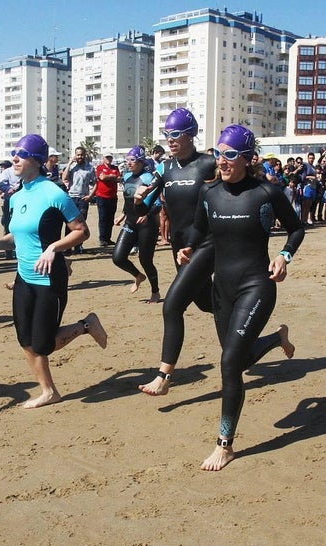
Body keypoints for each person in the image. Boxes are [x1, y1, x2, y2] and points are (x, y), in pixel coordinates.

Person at [176, 124, 303, 471]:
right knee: (240, 359)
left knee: (230, 363)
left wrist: (284, 256)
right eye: (219, 153)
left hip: (256, 285)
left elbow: (296, 228)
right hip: (223, 289)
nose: (222, 161)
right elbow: (200, 228)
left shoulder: (266, 193)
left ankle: (225, 444)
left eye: (230, 154)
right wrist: (189, 246)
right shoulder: (209, 192)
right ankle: (276, 338)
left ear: (248, 158)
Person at [0, 134, 108, 409]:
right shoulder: (16, 197)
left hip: (49, 278)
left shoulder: (54, 193)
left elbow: (82, 231)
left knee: (44, 344)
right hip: (24, 277)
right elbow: (18, 237)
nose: (15, 158)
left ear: (37, 161)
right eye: (14, 153)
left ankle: (86, 325)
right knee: (25, 339)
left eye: (22, 154)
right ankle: (49, 391)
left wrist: (54, 248)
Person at [138, 108, 218, 396]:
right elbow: (149, 199)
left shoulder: (208, 164)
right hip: (179, 247)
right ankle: (261, 338)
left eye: (176, 134)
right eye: (167, 134)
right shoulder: (166, 168)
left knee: (172, 306)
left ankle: (164, 377)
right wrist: (140, 200)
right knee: (208, 303)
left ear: (191, 134)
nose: (170, 139)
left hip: (206, 244)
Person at [111, 146, 161, 302]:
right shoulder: (127, 177)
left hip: (148, 224)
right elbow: (128, 201)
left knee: (145, 260)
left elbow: (158, 204)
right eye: (127, 159)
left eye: (132, 160)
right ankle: (138, 276)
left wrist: (147, 214)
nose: (129, 162)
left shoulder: (148, 178)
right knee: (118, 257)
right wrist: (122, 215)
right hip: (131, 222)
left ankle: (155, 292)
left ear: (140, 161)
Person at [94, 154, 120, 246]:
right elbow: (102, 177)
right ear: (103, 158)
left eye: (110, 157)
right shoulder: (100, 167)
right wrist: (113, 176)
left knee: (110, 218)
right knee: (103, 218)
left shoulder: (115, 168)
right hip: (102, 196)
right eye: (107, 157)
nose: (109, 159)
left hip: (112, 196)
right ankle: (102, 238)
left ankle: (108, 238)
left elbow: (119, 179)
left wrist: (108, 177)